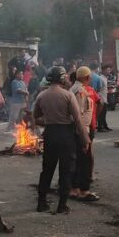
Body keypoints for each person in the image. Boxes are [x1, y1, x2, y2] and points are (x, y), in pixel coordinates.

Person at [33, 64, 88, 215]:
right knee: (66, 171)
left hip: (50, 134)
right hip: (66, 135)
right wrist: (85, 140)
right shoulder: (68, 95)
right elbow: (78, 120)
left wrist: (50, 121)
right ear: (63, 78)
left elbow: (36, 117)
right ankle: (62, 205)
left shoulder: (41, 95)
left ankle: (41, 203)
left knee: (47, 170)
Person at [69, 65, 99, 201]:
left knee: (75, 159)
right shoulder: (81, 91)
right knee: (84, 160)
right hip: (81, 131)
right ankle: (83, 190)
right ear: (87, 77)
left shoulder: (72, 89)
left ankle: (74, 187)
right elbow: (80, 116)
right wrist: (84, 137)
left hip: (73, 130)